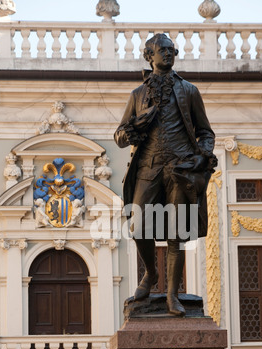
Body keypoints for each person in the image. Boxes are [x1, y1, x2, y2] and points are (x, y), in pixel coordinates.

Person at [114, 33, 216, 316]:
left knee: (177, 233)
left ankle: (172, 296)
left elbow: (205, 132)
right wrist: (134, 126)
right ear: (149, 56)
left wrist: (202, 155)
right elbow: (120, 137)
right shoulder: (137, 95)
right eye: (162, 50)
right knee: (137, 226)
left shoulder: (189, 91)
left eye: (172, 50)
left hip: (179, 168)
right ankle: (151, 273)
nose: (168, 54)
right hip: (148, 166)